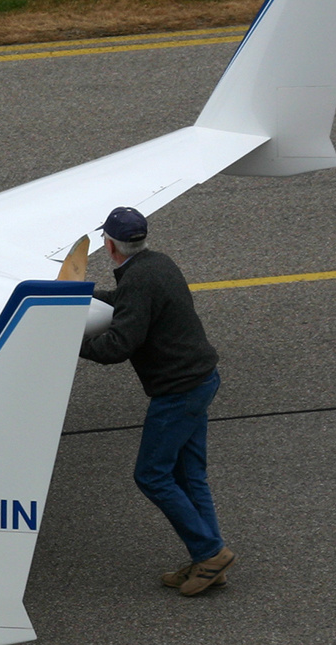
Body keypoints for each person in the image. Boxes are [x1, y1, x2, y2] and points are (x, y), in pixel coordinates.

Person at [79, 206, 235, 595]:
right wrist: (79, 297)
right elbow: (125, 300)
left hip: (178, 392)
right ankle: (210, 561)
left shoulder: (139, 280)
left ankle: (210, 551)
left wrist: (66, 341)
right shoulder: (157, 264)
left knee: (151, 475)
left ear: (110, 245)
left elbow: (117, 346)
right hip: (201, 379)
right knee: (189, 475)